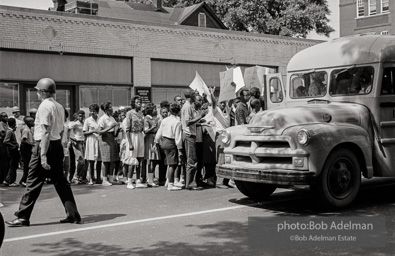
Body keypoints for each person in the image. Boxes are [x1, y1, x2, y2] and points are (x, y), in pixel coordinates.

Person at [6, 78, 81, 227]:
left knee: (33, 182)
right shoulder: (59, 106)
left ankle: (22, 216)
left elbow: (46, 132)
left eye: (38, 91)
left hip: (44, 145)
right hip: (56, 145)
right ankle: (73, 214)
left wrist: (43, 155)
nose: (37, 94)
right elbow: (59, 130)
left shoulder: (44, 106)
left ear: (42, 92)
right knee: (61, 182)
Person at [181, 92, 208, 190]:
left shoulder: (189, 107)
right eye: (198, 99)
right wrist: (200, 116)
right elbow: (188, 122)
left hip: (191, 134)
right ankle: (190, 183)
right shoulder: (187, 107)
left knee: (192, 159)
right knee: (191, 160)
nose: (199, 101)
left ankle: (191, 182)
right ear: (192, 98)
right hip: (189, 135)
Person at [155, 103, 183, 191]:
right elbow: (178, 137)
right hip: (171, 142)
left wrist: (156, 141)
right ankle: (170, 184)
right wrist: (180, 149)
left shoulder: (165, 120)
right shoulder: (177, 122)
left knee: (169, 162)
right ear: (178, 112)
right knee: (172, 164)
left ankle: (168, 180)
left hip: (163, 141)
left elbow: (159, 132)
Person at [124, 96, 146, 189]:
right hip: (132, 136)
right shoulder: (129, 113)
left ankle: (138, 180)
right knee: (132, 160)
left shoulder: (141, 113)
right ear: (133, 103)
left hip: (140, 135)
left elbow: (142, 127)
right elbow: (127, 129)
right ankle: (129, 181)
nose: (139, 104)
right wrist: (130, 143)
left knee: (140, 159)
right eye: (137, 102)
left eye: (140, 102)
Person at [97, 102, 120, 186]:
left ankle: (110, 178)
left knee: (113, 159)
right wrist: (110, 127)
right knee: (106, 160)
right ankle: (104, 179)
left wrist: (117, 128)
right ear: (105, 109)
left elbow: (114, 130)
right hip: (105, 139)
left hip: (112, 138)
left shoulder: (112, 118)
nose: (112, 109)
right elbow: (99, 131)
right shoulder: (102, 118)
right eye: (109, 107)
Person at [83, 104, 102, 185]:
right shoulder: (87, 120)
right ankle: (91, 178)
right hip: (91, 141)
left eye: (94, 111)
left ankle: (98, 178)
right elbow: (84, 132)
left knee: (99, 161)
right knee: (91, 161)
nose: (92, 113)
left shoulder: (100, 119)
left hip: (99, 140)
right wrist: (93, 131)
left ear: (97, 112)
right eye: (91, 111)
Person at [69, 110, 87, 184]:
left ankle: (80, 177)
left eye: (82, 116)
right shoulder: (75, 124)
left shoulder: (84, 123)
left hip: (84, 142)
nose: (81, 117)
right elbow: (67, 130)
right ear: (77, 116)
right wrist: (72, 138)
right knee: (80, 160)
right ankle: (75, 177)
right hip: (77, 142)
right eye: (79, 116)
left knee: (84, 161)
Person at [3, 118, 20, 187]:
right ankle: (10, 181)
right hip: (12, 151)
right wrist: (13, 146)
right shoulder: (10, 131)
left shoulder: (10, 130)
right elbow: (6, 141)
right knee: (13, 165)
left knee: (13, 165)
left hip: (12, 150)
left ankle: (8, 179)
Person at [19, 116, 35, 187]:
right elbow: (24, 140)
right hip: (25, 148)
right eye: (31, 121)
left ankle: (25, 179)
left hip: (28, 147)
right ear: (28, 122)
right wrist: (32, 144)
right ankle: (23, 180)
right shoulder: (26, 130)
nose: (33, 123)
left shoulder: (29, 129)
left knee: (29, 164)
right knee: (27, 164)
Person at [0, 113, 9, 185]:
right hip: (2, 143)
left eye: (7, 116)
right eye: (4, 116)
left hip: (6, 143)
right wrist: (9, 133)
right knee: (3, 161)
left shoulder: (6, 124)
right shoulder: (1, 124)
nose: (6, 118)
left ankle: (4, 177)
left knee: (6, 162)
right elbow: (2, 134)